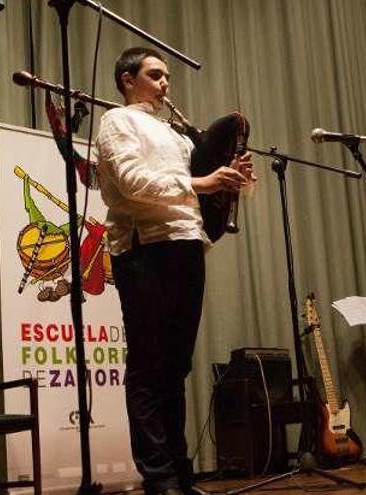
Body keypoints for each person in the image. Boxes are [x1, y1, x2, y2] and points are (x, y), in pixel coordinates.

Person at [95, 46, 255, 495]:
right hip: (144, 249)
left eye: (167, 76)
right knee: (149, 365)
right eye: (156, 74)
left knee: (176, 367)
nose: (166, 83)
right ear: (128, 80)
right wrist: (198, 182)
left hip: (187, 246)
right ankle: (158, 477)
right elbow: (131, 183)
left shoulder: (179, 136)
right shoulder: (117, 122)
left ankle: (180, 475)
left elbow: (200, 193)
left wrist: (229, 176)